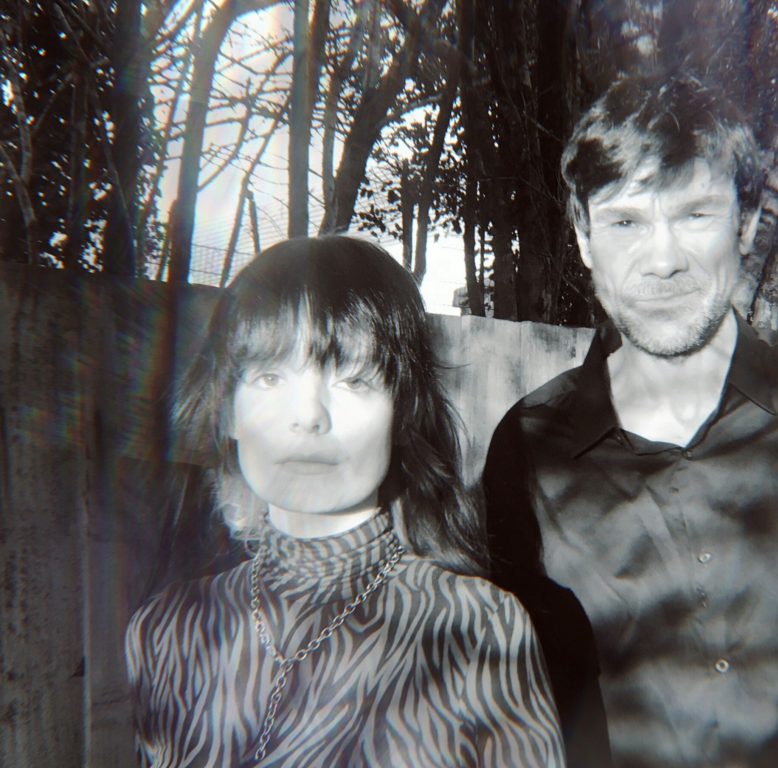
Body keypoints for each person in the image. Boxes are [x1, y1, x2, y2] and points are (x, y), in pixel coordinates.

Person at [483, 71, 778, 768]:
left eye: (695, 213)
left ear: (748, 221)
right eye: (625, 221)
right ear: (583, 237)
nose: (663, 258)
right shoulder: (527, 449)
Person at [126, 235, 565, 767]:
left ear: (403, 412)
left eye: (354, 380)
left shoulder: (479, 629)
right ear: (226, 413)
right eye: (269, 376)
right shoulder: (165, 633)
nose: (309, 415)